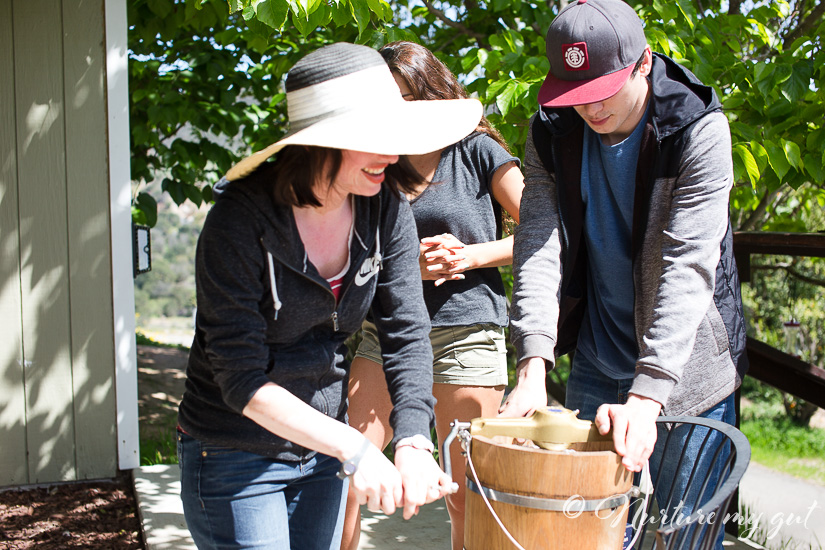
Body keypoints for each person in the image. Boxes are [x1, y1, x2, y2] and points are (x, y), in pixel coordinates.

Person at [176, 42, 484, 550]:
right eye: (374, 137)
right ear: (321, 142)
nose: (393, 155)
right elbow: (241, 380)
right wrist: (355, 448)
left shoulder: (383, 208)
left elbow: (406, 334)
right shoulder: (239, 221)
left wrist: (412, 438)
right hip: (234, 449)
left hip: (322, 451)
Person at [500, 0, 748, 545]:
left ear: (643, 63)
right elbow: (538, 243)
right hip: (596, 357)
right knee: (582, 533)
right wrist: (533, 362)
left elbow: (688, 265)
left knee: (685, 536)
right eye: (575, 92)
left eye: (602, 90)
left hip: (688, 374)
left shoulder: (697, 129)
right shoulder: (552, 130)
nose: (589, 108)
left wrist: (648, 395)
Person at [341, 41, 525, 550]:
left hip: (468, 333)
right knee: (349, 472)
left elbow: (542, 232)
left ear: (433, 93)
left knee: (466, 495)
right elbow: (348, 249)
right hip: (388, 332)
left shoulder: (477, 150)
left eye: (405, 97)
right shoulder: (375, 160)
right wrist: (398, 265)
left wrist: (469, 256)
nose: (395, 110)